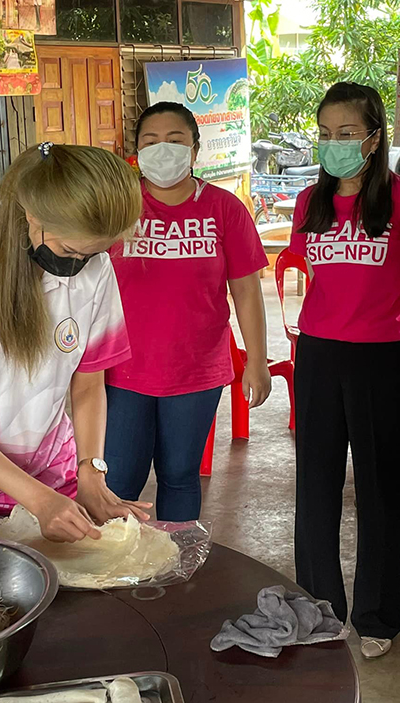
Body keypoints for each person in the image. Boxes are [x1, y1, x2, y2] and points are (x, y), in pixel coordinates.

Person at [0, 143, 150, 542]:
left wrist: (90, 471)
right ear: (34, 213)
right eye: (69, 250)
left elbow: (88, 385)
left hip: (52, 477)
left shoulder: (95, 267)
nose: (78, 267)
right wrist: (40, 501)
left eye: (94, 254)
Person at [289, 82, 400, 659]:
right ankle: (316, 604)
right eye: (325, 134)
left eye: (347, 134)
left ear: (374, 138)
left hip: (383, 356)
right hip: (320, 354)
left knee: (382, 488)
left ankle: (377, 616)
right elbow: (317, 276)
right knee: (317, 485)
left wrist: (382, 309)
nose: (334, 144)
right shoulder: (311, 201)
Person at [105, 102, 271, 522]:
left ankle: (177, 571)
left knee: (179, 475)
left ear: (195, 151)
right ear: (137, 152)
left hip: (195, 371)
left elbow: (247, 291)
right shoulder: (116, 209)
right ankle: (108, 574)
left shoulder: (224, 210)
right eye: (150, 141)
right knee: (118, 479)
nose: (163, 149)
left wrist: (256, 360)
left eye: (175, 140)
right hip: (121, 370)